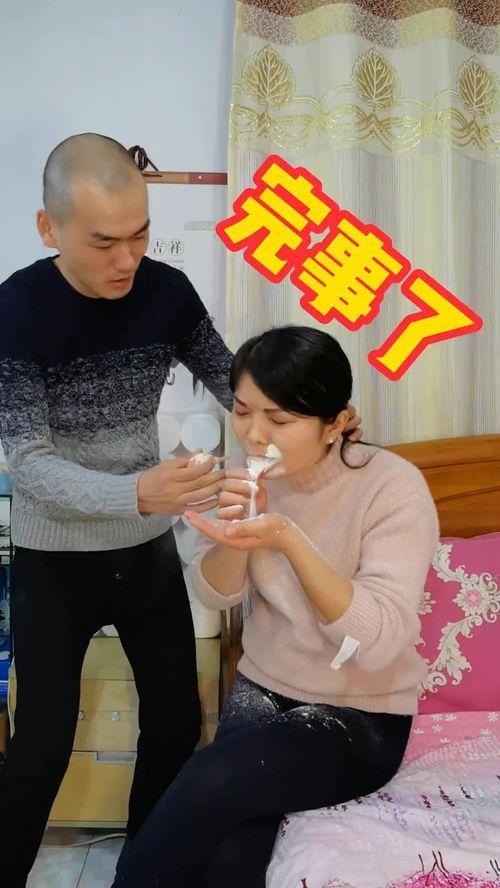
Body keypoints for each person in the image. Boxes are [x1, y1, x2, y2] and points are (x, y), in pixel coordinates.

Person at [0, 131, 363, 884]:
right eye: (105, 243)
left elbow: (238, 385)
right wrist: (136, 492)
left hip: (145, 551)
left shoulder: (166, 292)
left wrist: (313, 421)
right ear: (48, 228)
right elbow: (27, 464)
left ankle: (145, 870)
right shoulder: (15, 310)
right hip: (54, 558)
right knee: (39, 748)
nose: (128, 259)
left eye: (139, 235)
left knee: (175, 725)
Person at [113, 325, 439, 888]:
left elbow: (379, 639)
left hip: (360, 712)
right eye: (242, 412)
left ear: (335, 423)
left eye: (280, 420)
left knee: (211, 778)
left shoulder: (392, 487)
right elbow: (214, 594)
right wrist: (236, 536)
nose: (255, 435)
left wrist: (287, 537)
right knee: (230, 853)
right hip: (264, 688)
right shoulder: (246, 476)